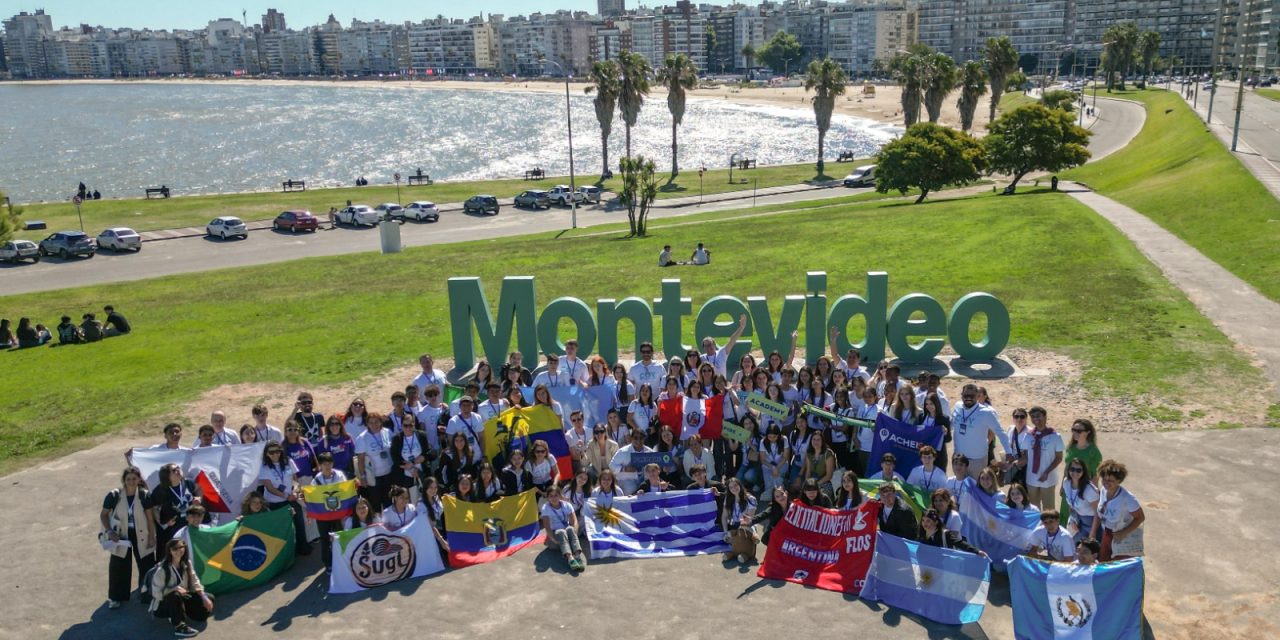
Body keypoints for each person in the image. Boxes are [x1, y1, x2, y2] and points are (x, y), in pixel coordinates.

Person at [101, 466, 156, 609]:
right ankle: (116, 597)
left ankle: (147, 594)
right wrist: (109, 531)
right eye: (128, 479)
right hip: (121, 535)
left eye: (134, 478)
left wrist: (151, 536)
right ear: (123, 480)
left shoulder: (144, 495)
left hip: (141, 534)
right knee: (118, 565)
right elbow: (103, 515)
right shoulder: (114, 495)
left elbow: (150, 518)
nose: (131, 481)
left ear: (139, 479)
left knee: (147, 564)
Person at [148, 539, 213, 638]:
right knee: (175, 596)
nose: (179, 550)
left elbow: (195, 581)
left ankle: (180, 611)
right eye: (175, 548)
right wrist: (174, 589)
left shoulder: (186, 563)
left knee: (207, 604)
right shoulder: (162, 570)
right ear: (169, 551)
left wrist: (203, 596)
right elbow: (156, 593)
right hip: (163, 605)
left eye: (181, 547)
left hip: (183, 596)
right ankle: (179, 627)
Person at [258, 442, 310, 555]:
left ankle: (303, 548)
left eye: (277, 451)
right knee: (282, 529)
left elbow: (296, 480)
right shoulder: (264, 468)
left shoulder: (288, 462)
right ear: (266, 454)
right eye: (271, 452)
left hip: (292, 499)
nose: (275, 454)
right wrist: (286, 496)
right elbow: (269, 488)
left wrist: (295, 491)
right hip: (275, 503)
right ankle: (286, 553)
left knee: (299, 524)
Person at [951, 383, 1012, 478]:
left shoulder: (986, 413)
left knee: (976, 489)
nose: (968, 398)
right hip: (958, 458)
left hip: (977, 460)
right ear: (961, 395)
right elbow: (952, 423)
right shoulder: (957, 406)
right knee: (960, 487)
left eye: (971, 395)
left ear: (977, 396)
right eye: (965, 395)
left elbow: (1000, 432)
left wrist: (1009, 451)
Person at [1091, 459, 1144, 561]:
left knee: (1119, 567)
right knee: (1104, 563)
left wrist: (1124, 533)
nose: (1106, 483)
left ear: (1119, 481)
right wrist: (1093, 533)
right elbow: (1099, 512)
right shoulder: (1103, 490)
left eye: (1110, 480)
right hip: (1106, 533)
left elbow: (1140, 517)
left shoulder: (1128, 498)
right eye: (1104, 479)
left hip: (1122, 538)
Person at [1019, 406, 1064, 512]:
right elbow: (1025, 454)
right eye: (1033, 417)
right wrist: (1020, 461)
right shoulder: (1028, 436)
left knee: (1049, 508)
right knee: (1034, 509)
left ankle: (1049, 528)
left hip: (1048, 478)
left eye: (1038, 416)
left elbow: (1059, 458)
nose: (1036, 419)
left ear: (1045, 416)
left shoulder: (1055, 436)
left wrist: (1046, 472)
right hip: (1032, 478)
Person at [153, 463, 202, 555]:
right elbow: (153, 508)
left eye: (178, 468)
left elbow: (198, 489)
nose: (178, 471)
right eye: (174, 470)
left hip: (191, 526)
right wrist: (164, 523)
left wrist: (199, 498)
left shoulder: (188, 482)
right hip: (174, 530)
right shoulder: (161, 490)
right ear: (167, 476)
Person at [311, 452, 348, 571]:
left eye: (330, 463)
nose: (327, 466)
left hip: (338, 512)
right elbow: (312, 497)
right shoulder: (316, 480)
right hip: (323, 515)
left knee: (339, 535)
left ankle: (342, 559)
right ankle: (328, 563)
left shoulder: (339, 475)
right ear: (320, 465)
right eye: (324, 464)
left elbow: (345, 490)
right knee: (325, 538)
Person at [540, 485, 586, 572]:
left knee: (570, 529)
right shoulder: (546, 508)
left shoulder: (566, 505)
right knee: (561, 531)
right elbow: (547, 526)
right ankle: (570, 558)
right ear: (548, 497)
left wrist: (574, 534)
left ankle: (577, 556)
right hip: (555, 534)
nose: (554, 498)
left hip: (567, 531)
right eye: (551, 496)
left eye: (556, 495)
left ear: (560, 495)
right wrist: (553, 539)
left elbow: (574, 521)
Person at [354, 413, 394, 510]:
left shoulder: (387, 432)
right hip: (373, 477)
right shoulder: (362, 438)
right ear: (367, 424)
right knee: (375, 503)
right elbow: (361, 460)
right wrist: (362, 477)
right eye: (371, 423)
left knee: (388, 501)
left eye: (376, 422)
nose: (374, 425)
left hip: (388, 474)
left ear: (381, 422)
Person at [391, 413, 430, 502]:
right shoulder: (397, 439)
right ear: (401, 426)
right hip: (404, 475)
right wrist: (411, 468)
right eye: (405, 425)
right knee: (407, 500)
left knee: (423, 499)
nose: (408, 428)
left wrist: (414, 462)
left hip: (421, 473)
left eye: (411, 425)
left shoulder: (421, 435)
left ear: (414, 425)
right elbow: (395, 458)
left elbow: (428, 453)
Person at [721, 476, 758, 563]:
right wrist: (726, 532)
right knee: (724, 535)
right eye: (731, 487)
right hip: (734, 525)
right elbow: (724, 516)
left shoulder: (750, 499)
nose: (734, 488)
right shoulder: (728, 498)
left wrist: (735, 535)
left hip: (746, 526)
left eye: (735, 485)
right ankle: (733, 549)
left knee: (741, 538)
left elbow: (748, 518)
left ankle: (744, 553)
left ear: (740, 485)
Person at [1061, 458, 1099, 542]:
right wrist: (1073, 519)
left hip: (1091, 522)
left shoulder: (1089, 490)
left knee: (1090, 549)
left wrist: (1092, 534)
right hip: (1077, 519)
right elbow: (1071, 505)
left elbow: (1098, 514)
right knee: (1071, 544)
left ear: (1083, 472)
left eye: (1078, 470)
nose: (1075, 473)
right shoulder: (1066, 483)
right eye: (1072, 469)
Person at [918, 509, 984, 554]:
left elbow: (960, 543)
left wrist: (977, 551)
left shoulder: (945, 534)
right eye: (923, 520)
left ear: (936, 522)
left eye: (928, 521)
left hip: (943, 570)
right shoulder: (922, 533)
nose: (925, 524)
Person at [609, 429, 652, 494]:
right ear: (631, 438)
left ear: (644, 439)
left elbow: (658, 466)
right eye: (635, 438)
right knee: (631, 489)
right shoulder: (623, 451)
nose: (638, 440)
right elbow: (611, 465)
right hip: (627, 481)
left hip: (645, 481)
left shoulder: (649, 452)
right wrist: (624, 469)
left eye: (641, 438)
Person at [798, 429, 836, 497]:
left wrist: (816, 485)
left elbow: (829, 476)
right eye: (814, 439)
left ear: (822, 441)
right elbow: (808, 472)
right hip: (812, 482)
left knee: (820, 495)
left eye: (818, 440)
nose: (816, 442)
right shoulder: (809, 453)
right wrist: (807, 484)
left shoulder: (828, 454)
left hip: (825, 482)